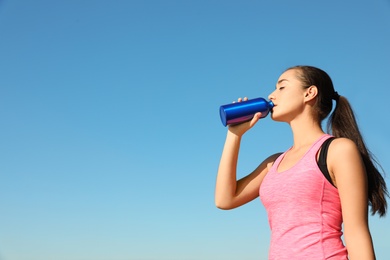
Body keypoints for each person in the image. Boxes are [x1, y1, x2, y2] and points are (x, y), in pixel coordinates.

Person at [215, 65, 388, 259]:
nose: (271, 95)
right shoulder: (273, 163)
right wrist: (234, 135)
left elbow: (357, 233)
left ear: (309, 93)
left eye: (282, 87)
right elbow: (224, 200)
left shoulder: (337, 150)